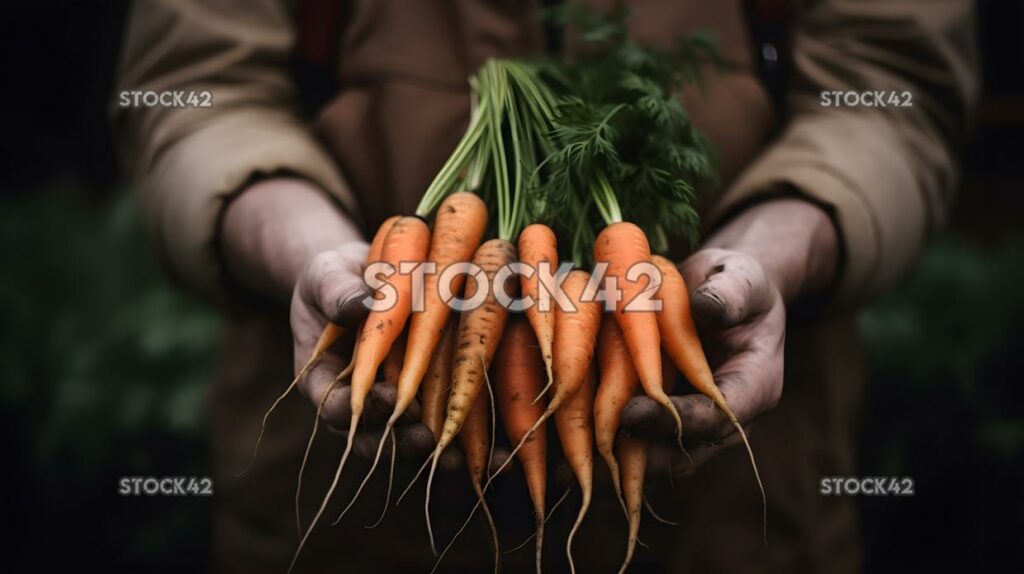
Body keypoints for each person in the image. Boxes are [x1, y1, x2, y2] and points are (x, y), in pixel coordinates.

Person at [112, 0, 977, 572]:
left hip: (738, 522)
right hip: (344, 515)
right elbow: (194, 90)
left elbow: (893, 87)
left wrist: (781, 247)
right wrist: (309, 248)